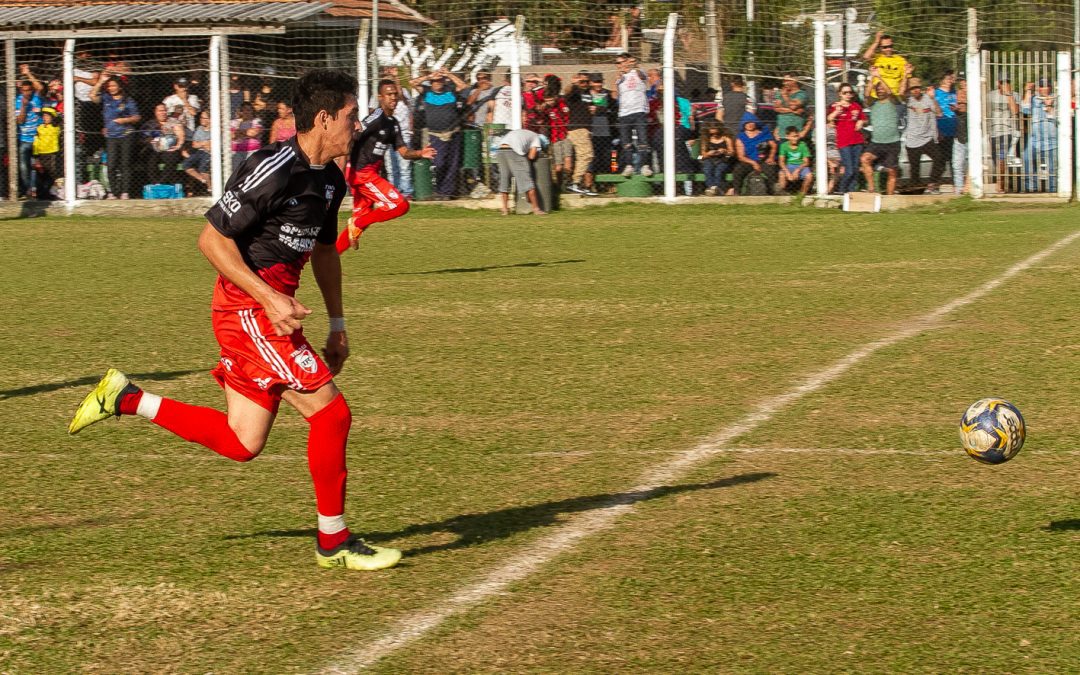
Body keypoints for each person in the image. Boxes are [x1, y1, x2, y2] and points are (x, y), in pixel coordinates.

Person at [69, 69, 403, 572]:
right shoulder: (271, 168)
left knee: (243, 442)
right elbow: (211, 240)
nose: (358, 126)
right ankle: (333, 541)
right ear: (323, 118)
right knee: (331, 414)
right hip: (246, 311)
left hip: (270, 313)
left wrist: (338, 324)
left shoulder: (331, 180)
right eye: (351, 116)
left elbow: (323, 252)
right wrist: (269, 298)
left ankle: (127, 398)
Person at [336, 79, 437, 253]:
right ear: (380, 97)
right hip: (362, 173)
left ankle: (330, 258)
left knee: (360, 223)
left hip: (368, 173)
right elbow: (353, 134)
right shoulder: (376, 117)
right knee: (400, 206)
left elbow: (403, 152)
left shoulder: (393, 123)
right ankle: (357, 223)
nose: (393, 98)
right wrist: (342, 167)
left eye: (395, 94)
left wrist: (421, 153)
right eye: (388, 94)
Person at [416, 69, 468, 199]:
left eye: (440, 80)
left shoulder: (450, 90)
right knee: (439, 163)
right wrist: (429, 76)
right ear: (431, 82)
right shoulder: (427, 92)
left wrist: (448, 74)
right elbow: (413, 83)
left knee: (452, 163)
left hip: (453, 133)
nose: (438, 82)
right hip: (436, 135)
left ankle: (447, 192)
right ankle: (439, 189)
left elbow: (463, 86)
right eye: (435, 81)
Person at [91, 72, 140, 200]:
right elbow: (92, 96)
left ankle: (125, 192)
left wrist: (124, 120)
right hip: (111, 136)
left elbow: (137, 117)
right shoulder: (106, 98)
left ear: (120, 86)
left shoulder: (128, 100)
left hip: (126, 135)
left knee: (125, 164)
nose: (111, 88)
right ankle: (112, 192)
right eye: (109, 86)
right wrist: (101, 81)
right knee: (111, 164)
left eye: (114, 85)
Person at [860, 72, 906, 195]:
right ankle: (871, 189)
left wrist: (880, 77)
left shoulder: (893, 102)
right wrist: (872, 77)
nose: (880, 91)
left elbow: (890, 92)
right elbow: (866, 94)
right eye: (878, 89)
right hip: (876, 142)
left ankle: (889, 198)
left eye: (882, 88)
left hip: (892, 143)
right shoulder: (873, 103)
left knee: (892, 171)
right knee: (865, 159)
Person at [613, 53, 652, 177]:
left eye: (622, 62)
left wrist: (634, 66)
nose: (620, 65)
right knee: (626, 142)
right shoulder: (620, 77)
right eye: (617, 63)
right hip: (624, 113)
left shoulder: (637, 72)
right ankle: (628, 165)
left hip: (639, 111)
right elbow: (615, 95)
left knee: (642, 140)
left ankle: (645, 165)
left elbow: (642, 76)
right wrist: (617, 81)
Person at [902, 77, 943, 193]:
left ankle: (932, 184)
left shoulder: (928, 99)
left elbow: (939, 113)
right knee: (914, 171)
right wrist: (905, 74)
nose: (915, 91)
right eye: (913, 89)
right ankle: (916, 191)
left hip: (927, 138)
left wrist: (933, 98)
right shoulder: (909, 100)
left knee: (939, 159)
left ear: (921, 88)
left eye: (917, 88)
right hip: (912, 140)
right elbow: (900, 94)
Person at [495, 125, 546, 216]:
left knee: (505, 179)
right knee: (527, 181)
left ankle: (505, 209)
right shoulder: (536, 138)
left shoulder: (526, 133)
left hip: (500, 150)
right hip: (513, 151)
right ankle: (536, 209)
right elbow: (531, 156)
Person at [827, 83, 866, 194]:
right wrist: (836, 112)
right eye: (845, 93)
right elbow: (829, 118)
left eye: (850, 92)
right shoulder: (835, 106)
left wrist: (861, 121)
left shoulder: (856, 106)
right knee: (849, 170)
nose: (848, 95)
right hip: (844, 142)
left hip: (857, 141)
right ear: (840, 94)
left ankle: (851, 193)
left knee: (855, 170)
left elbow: (864, 118)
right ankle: (842, 190)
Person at [1022, 78, 1058, 193]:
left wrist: (1049, 106)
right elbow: (1025, 109)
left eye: (1046, 86)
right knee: (1027, 159)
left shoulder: (1056, 99)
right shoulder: (1034, 99)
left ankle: (1053, 189)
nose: (1043, 89)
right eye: (1041, 86)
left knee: (1053, 168)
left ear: (1050, 87)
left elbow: (1057, 118)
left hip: (1052, 141)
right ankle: (1030, 188)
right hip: (1035, 140)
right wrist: (1028, 91)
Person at [987, 77, 1021, 191]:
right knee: (996, 160)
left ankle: (1000, 184)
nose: (1005, 84)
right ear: (998, 83)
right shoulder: (990, 96)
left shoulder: (1015, 95)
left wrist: (1008, 95)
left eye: (1008, 82)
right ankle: (1002, 181)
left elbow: (1015, 111)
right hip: (993, 133)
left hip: (1007, 132)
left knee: (1001, 158)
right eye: (1002, 82)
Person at [732, 112, 777, 194]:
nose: (750, 124)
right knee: (738, 170)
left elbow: (774, 146)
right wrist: (753, 163)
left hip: (764, 160)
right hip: (749, 161)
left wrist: (771, 157)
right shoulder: (740, 137)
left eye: (752, 122)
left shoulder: (764, 133)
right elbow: (741, 156)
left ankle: (773, 192)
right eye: (747, 123)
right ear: (743, 124)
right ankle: (737, 192)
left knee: (770, 170)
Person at [564, 72, 594, 195]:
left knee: (583, 156)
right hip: (577, 128)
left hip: (586, 129)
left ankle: (577, 183)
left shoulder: (588, 93)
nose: (584, 84)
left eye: (587, 81)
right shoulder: (575, 91)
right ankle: (574, 182)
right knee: (587, 155)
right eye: (582, 81)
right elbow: (567, 92)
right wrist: (574, 83)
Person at [13, 76, 43, 199]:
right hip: (24, 139)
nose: (27, 93)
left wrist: (28, 73)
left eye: (29, 90)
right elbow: (20, 121)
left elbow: (40, 87)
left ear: (32, 89)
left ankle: (41, 191)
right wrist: (24, 107)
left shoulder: (37, 98)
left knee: (40, 166)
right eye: (24, 90)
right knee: (24, 167)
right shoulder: (18, 101)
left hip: (38, 138)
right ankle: (29, 190)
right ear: (21, 91)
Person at [584, 73, 614, 194]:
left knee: (607, 158)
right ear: (591, 82)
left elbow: (609, 108)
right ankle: (589, 184)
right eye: (596, 82)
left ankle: (606, 184)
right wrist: (599, 108)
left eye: (600, 81)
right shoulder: (586, 94)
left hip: (605, 132)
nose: (598, 84)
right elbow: (585, 109)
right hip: (590, 131)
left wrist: (598, 109)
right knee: (591, 158)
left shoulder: (606, 93)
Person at [142, 103, 186, 185]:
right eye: (160, 111)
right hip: (154, 149)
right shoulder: (150, 124)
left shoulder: (173, 121)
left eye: (165, 110)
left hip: (170, 148)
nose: (163, 113)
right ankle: (155, 184)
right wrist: (151, 141)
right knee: (150, 162)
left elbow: (181, 134)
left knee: (171, 159)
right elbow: (145, 137)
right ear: (155, 112)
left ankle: (161, 183)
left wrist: (178, 146)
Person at [861, 31, 909, 98]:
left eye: (890, 46)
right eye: (885, 47)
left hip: (893, 97)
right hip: (877, 96)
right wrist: (876, 41)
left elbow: (905, 80)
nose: (888, 49)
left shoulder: (901, 60)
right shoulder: (877, 58)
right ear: (880, 48)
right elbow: (866, 56)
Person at [32, 106, 61, 199]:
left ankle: (47, 193)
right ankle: (40, 194)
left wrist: (43, 110)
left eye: (47, 116)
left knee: (51, 175)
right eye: (44, 116)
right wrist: (36, 155)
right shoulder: (39, 128)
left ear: (52, 117)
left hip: (52, 154)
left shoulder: (55, 127)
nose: (45, 118)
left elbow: (59, 119)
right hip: (41, 154)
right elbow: (36, 141)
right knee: (40, 174)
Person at [699, 122, 735, 196]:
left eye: (716, 133)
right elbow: (701, 156)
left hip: (723, 159)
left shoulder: (726, 138)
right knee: (707, 169)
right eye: (712, 134)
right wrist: (708, 153)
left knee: (718, 171)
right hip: (709, 159)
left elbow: (732, 152)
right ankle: (712, 188)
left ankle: (716, 189)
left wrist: (725, 151)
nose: (714, 135)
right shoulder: (706, 139)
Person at [772, 74, 811, 140]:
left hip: (796, 133)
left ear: (794, 81)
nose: (784, 83)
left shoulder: (801, 94)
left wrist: (785, 96)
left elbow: (793, 106)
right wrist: (792, 111)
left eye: (786, 81)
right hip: (781, 133)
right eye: (783, 81)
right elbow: (776, 108)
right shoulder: (779, 93)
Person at [777, 126, 813, 195]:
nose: (796, 139)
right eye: (793, 137)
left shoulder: (802, 145)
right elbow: (781, 162)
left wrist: (797, 170)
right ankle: (782, 194)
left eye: (797, 136)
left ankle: (801, 194)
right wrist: (787, 172)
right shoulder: (783, 145)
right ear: (787, 137)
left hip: (801, 166)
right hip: (789, 166)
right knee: (781, 174)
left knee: (809, 176)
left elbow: (806, 162)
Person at [181, 108, 213, 187]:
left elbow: (211, 146)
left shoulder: (214, 130)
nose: (201, 119)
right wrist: (205, 143)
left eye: (204, 118)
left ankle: (210, 187)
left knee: (203, 169)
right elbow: (194, 144)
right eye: (201, 117)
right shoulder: (199, 129)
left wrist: (202, 143)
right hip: (199, 151)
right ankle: (202, 179)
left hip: (209, 153)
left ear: (210, 119)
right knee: (186, 164)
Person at [230, 101, 264, 166]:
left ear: (252, 111)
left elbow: (253, 133)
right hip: (236, 152)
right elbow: (232, 135)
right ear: (241, 111)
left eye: (249, 110)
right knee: (237, 169)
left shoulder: (256, 121)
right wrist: (247, 132)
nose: (246, 112)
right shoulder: (234, 122)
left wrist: (239, 132)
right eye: (244, 110)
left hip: (252, 151)